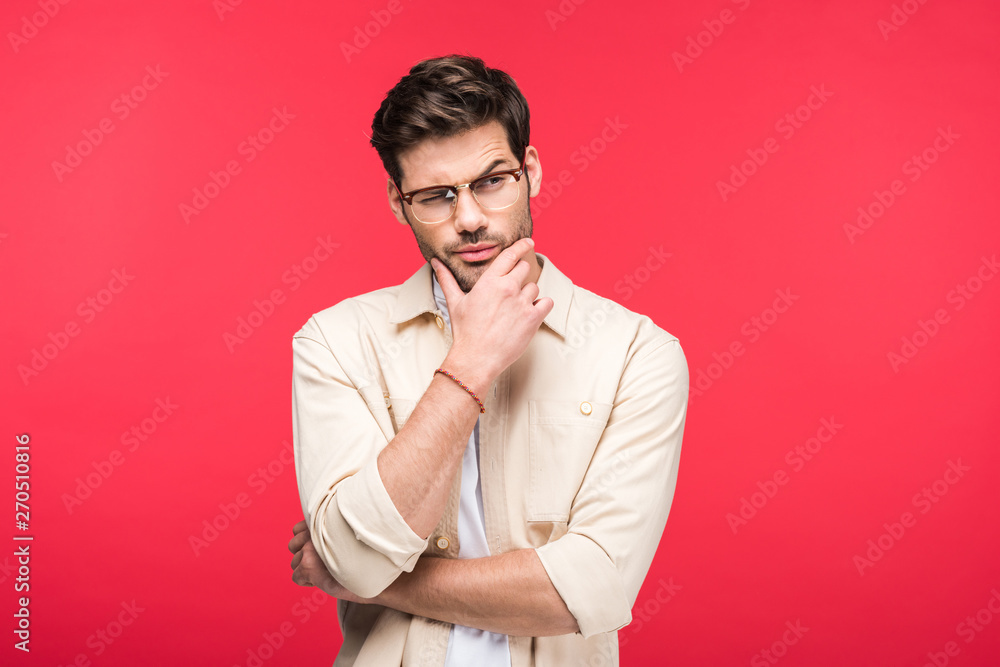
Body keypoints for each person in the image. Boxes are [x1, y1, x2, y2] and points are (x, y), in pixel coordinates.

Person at [287, 54, 689, 667]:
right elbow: (355, 555)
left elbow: (589, 590)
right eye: (437, 196)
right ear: (398, 202)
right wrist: (469, 365)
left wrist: (373, 580)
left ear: (530, 170)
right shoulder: (335, 343)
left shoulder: (637, 354)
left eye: (492, 181)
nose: (470, 218)